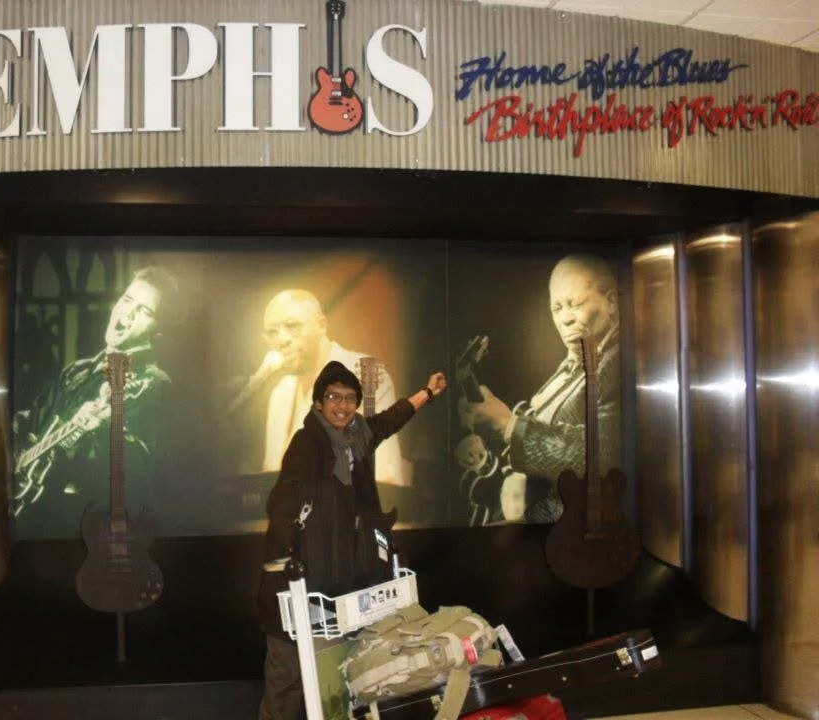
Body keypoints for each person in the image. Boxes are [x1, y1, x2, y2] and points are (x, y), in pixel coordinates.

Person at [256, 361, 447, 720]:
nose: (342, 406)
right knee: (288, 679)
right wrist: (285, 558)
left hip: (336, 585)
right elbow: (282, 502)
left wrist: (428, 393)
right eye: (333, 397)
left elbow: (391, 419)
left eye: (349, 399)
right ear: (318, 402)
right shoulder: (308, 443)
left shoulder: (358, 436)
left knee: (334, 680)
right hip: (297, 583)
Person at [12, 265, 181, 535]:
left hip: (87, 528)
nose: (128, 313)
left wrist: (105, 432)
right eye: (127, 300)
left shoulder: (156, 385)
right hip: (33, 518)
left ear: (157, 332)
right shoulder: (77, 370)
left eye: (145, 311)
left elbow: (146, 472)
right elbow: (33, 420)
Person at [457, 253, 622, 524]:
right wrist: (484, 454)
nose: (565, 319)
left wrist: (508, 426)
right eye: (557, 308)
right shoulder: (576, 362)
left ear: (612, 302)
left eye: (575, 304)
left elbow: (599, 456)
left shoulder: (619, 363)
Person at [258, 289, 407, 486]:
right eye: (272, 332)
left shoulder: (368, 376)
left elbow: (383, 481)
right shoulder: (280, 394)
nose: (282, 339)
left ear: (322, 325)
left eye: (292, 326)